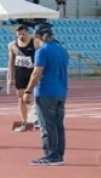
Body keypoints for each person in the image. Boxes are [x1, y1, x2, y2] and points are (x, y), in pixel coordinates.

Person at [23, 23, 68, 166]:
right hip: (61, 91)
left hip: (46, 91)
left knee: (47, 125)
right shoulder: (62, 50)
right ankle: (58, 154)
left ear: (37, 36)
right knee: (58, 125)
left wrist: (28, 90)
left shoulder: (42, 51)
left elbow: (37, 72)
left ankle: (51, 155)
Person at [7, 24, 37, 132]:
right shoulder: (12, 45)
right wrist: (10, 77)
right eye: (18, 33)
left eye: (23, 33)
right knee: (21, 98)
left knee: (38, 96)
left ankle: (39, 118)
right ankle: (24, 121)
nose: (21, 36)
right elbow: (11, 63)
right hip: (20, 72)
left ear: (27, 32)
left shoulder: (35, 42)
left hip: (33, 72)